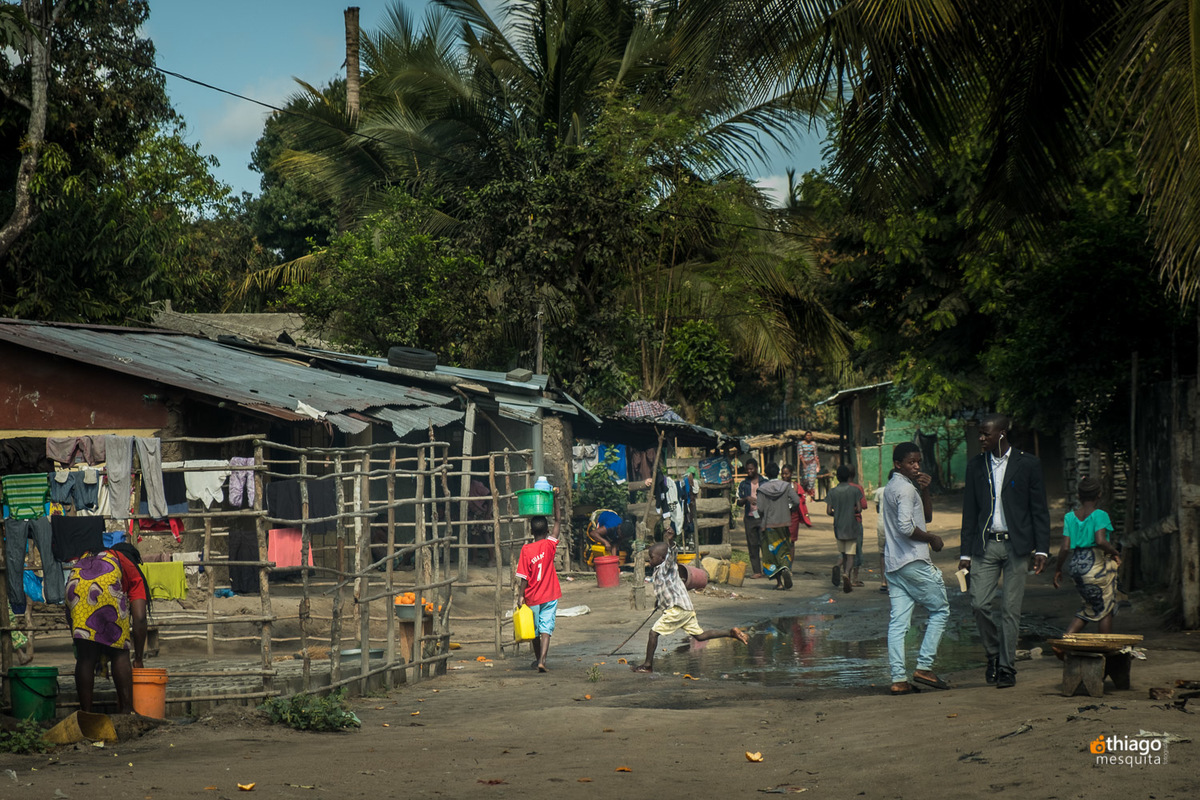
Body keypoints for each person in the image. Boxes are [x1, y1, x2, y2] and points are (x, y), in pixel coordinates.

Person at [959, 413, 1051, 689]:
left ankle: (1007, 668)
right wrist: (965, 554)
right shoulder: (976, 466)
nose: (981, 438)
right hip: (985, 545)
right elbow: (970, 512)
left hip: (1017, 546)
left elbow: (1039, 510)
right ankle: (994, 655)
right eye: (980, 433)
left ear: (1001, 433)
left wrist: (1043, 549)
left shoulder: (1028, 464)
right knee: (979, 603)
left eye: (985, 434)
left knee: (1011, 609)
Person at [631, 524, 748, 672]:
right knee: (700, 636)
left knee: (653, 633)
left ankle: (647, 665)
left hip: (678, 609)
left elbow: (672, 554)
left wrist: (671, 541)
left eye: (652, 558)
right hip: (685, 609)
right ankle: (731, 633)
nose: (649, 560)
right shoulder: (657, 571)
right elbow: (664, 590)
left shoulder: (668, 566)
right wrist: (659, 602)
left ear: (662, 558)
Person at [882, 442, 949, 695]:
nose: (917, 466)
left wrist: (926, 490)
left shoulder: (896, 487)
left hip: (894, 564)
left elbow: (925, 517)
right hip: (913, 561)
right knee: (940, 610)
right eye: (911, 462)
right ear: (898, 464)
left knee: (898, 623)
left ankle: (899, 678)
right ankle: (924, 666)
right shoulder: (904, 489)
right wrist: (932, 538)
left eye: (918, 462)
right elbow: (906, 528)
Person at [64, 541, 149, 713]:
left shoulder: (90, 555)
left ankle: (86, 715)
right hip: (106, 585)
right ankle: (126, 713)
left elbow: (70, 612)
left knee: (85, 657)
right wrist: (138, 658)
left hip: (74, 584)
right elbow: (139, 618)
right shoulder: (129, 566)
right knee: (120, 653)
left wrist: (81, 640)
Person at [1053, 477, 1121, 634]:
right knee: (1106, 607)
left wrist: (1058, 569)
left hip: (1077, 567)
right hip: (1095, 565)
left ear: (1078, 495)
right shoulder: (1100, 515)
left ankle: (1066, 640)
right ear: (1099, 494)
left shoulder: (1070, 517)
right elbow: (1100, 541)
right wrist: (1116, 553)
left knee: (1090, 606)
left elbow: (1064, 548)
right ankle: (1104, 650)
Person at [516, 489, 563, 672]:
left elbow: (523, 578)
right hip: (550, 595)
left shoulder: (526, 550)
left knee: (534, 631)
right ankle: (543, 660)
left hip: (532, 596)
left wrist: (520, 597)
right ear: (547, 530)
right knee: (546, 630)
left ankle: (538, 659)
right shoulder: (550, 545)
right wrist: (556, 499)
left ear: (530, 530)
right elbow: (558, 520)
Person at [755, 462, 801, 590]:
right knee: (784, 549)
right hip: (784, 523)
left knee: (771, 553)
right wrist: (789, 509)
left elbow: (760, 509)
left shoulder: (762, 489)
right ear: (778, 472)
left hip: (769, 525)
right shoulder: (786, 486)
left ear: (767, 474)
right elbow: (796, 501)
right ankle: (786, 568)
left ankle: (779, 582)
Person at [825, 465, 867, 593]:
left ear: (837, 477)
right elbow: (859, 509)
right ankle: (846, 573)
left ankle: (839, 568)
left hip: (839, 527)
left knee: (842, 552)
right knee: (851, 555)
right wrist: (850, 510)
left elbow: (828, 511)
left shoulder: (832, 492)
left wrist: (837, 513)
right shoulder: (855, 491)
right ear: (849, 476)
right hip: (852, 526)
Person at [736, 458, 765, 578]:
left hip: (763, 517)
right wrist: (747, 498)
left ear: (756, 469)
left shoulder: (765, 482)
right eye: (747, 469)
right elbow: (738, 502)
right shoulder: (743, 484)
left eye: (751, 469)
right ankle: (757, 571)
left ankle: (769, 570)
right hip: (750, 518)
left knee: (765, 544)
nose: (749, 471)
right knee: (752, 545)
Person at [780, 464, 812, 561]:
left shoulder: (796, 487)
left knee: (791, 542)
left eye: (787, 473)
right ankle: (782, 563)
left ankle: (789, 566)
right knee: (781, 541)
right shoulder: (779, 486)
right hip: (781, 516)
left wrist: (806, 515)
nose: (784, 476)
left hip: (793, 516)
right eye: (783, 474)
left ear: (791, 474)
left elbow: (802, 502)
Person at [848, 466, 867, 586]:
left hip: (842, 523)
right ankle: (854, 579)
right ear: (854, 475)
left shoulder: (839, 489)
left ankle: (846, 574)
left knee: (846, 549)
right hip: (856, 521)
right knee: (857, 549)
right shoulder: (858, 488)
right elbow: (864, 505)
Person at [797, 431, 820, 497]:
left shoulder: (814, 444)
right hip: (804, 463)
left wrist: (818, 465)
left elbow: (816, 455)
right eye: (807, 435)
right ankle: (804, 493)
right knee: (805, 479)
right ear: (805, 436)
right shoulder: (801, 444)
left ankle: (811, 496)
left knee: (812, 479)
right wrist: (804, 463)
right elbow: (800, 455)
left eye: (810, 435)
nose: (808, 437)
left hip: (812, 463)